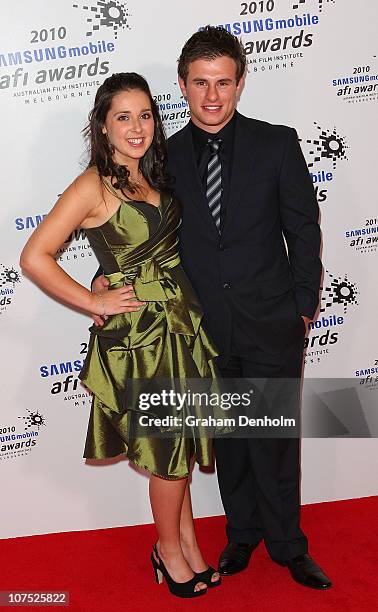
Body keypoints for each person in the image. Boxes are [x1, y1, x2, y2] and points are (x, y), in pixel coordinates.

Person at [93, 27, 332, 590]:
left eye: (223, 82)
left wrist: (303, 306)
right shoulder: (161, 158)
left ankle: (289, 546)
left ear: (240, 83)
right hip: (198, 328)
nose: (212, 96)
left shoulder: (278, 143)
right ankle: (241, 536)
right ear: (182, 86)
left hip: (272, 320)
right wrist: (104, 282)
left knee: (274, 438)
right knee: (226, 443)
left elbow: (303, 230)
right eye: (200, 83)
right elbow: (137, 235)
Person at [20, 72, 223, 598]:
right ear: (103, 126)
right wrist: (95, 299)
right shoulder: (94, 184)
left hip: (182, 323)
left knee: (178, 446)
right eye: (123, 117)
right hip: (142, 337)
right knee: (166, 451)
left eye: (146, 115)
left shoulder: (156, 173)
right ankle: (168, 552)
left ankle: (188, 542)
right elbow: (34, 256)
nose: (137, 127)